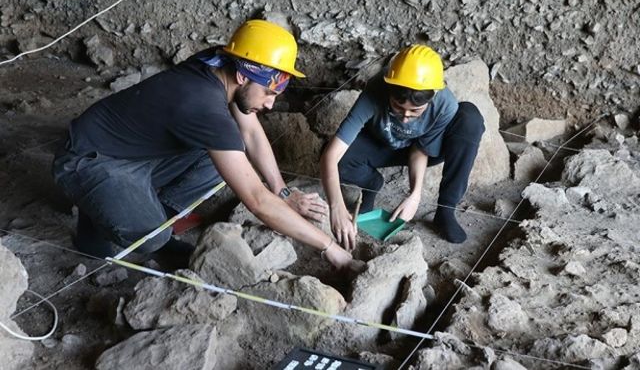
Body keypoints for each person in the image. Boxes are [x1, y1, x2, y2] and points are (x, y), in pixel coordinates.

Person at [52, 19, 354, 269]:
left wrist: (283, 191)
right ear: (242, 76)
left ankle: (141, 209)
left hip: (131, 149)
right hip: (88, 160)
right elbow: (257, 200)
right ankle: (103, 217)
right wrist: (328, 246)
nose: (271, 105)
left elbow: (249, 132)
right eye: (268, 93)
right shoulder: (203, 107)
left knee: (222, 155)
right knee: (152, 237)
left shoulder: (219, 63)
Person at [320, 44, 485, 250]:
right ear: (389, 89)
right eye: (398, 107)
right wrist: (336, 206)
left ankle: (445, 211)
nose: (406, 118)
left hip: (420, 149)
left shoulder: (445, 104)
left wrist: (415, 195)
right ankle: (371, 184)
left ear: (433, 96)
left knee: (470, 119)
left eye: (415, 111)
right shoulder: (375, 89)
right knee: (337, 160)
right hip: (381, 143)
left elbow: (421, 149)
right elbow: (331, 155)